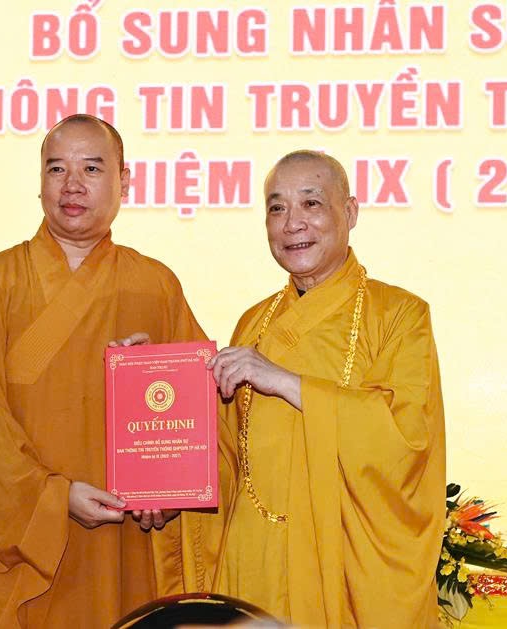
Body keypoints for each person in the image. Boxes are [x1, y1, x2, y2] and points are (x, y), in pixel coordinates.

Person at [0, 114, 205, 628]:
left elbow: (198, 421)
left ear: (125, 181)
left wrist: (169, 490)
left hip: (125, 540)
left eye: (92, 168)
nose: (73, 185)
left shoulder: (155, 286)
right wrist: (53, 497)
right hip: (27, 545)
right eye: (57, 168)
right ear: (39, 180)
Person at [178, 151, 446, 627]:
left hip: (344, 564)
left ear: (351, 212)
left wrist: (288, 383)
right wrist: (151, 389)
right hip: (255, 560)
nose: (292, 223)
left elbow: (407, 438)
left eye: (311, 203)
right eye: (276, 208)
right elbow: (224, 453)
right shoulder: (253, 323)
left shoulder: (399, 315)